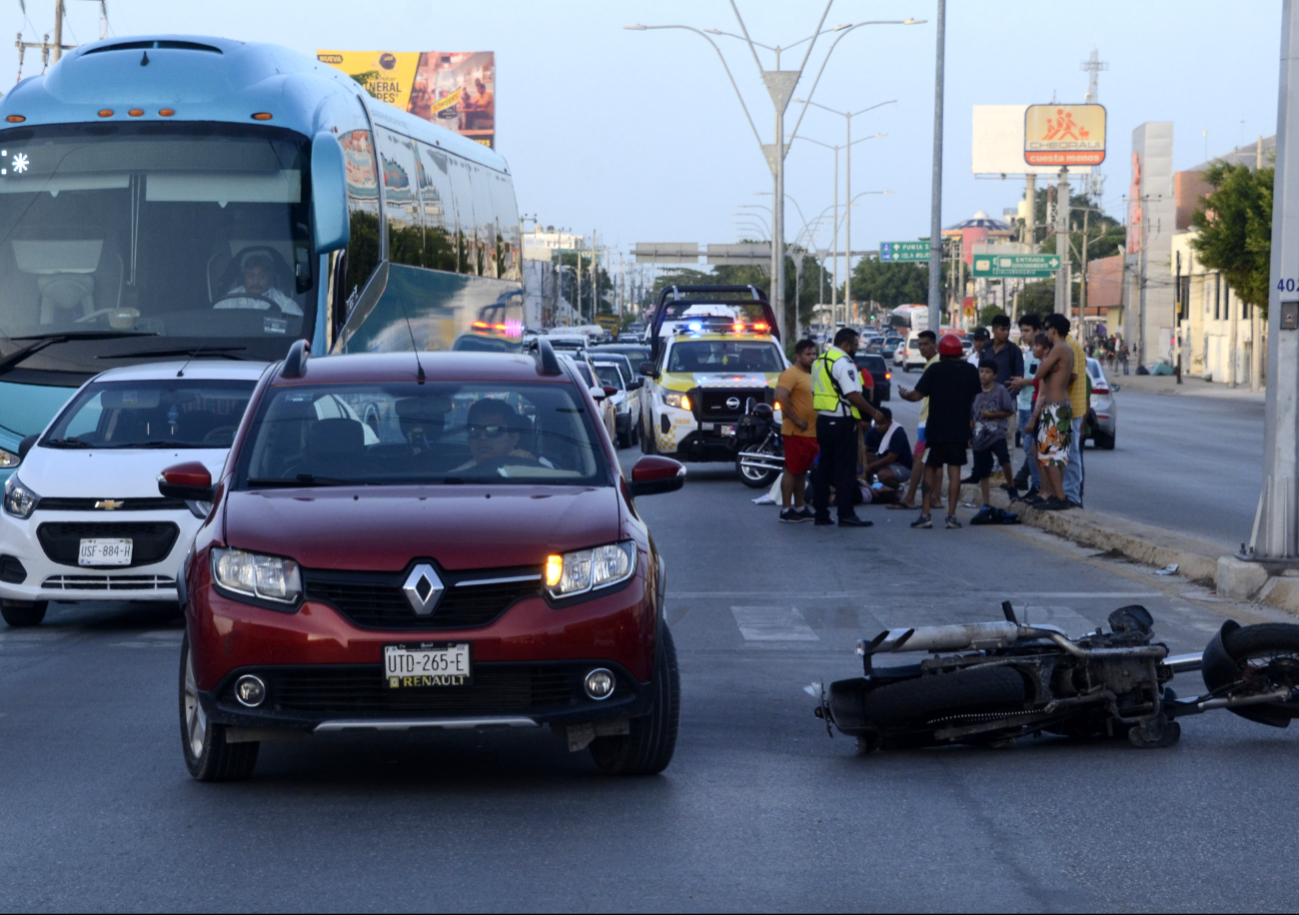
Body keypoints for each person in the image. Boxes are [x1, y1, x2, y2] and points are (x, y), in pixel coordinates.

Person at [898, 333, 981, 530]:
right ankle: (951, 517)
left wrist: (904, 395)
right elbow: (974, 398)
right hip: (959, 430)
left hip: (935, 430)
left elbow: (917, 395)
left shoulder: (935, 369)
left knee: (930, 468)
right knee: (954, 472)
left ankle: (926, 515)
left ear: (941, 351)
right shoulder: (970, 370)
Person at [811, 327, 884, 528]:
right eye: (855, 345)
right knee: (845, 469)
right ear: (846, 344)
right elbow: (852, 395)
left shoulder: (819, 361)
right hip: (842, 423)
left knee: (824, 468)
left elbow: (815, 392)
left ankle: (820, 513)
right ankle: (846, 513)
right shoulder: (844, 363)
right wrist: (874, 413)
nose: (857, 349)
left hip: (823, 421)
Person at [1026, 322, 1075, 510]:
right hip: (1062, 406)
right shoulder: (1067, 349)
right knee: (1057, 456)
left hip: (1054, 406)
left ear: (1054, 329)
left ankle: (1059, 497)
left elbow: (1039, 373)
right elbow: (1071, 376)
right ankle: (1055, 494)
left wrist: (1048, 366)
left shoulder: (1058, 348)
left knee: (1048, 454)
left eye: (1047, 329)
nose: (1046, 333)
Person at [891, 330, 939, 511]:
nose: (922, 348)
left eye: (926, 344)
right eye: (920, 344)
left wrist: (905, 395)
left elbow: (918, 394)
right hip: (930, 419)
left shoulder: (934, 364)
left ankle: (910, 498)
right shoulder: (932, 364)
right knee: (934, 460)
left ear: (935, 345)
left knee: (918, 457)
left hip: (928, 420)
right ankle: (934, 498)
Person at [774, 339, 818, 523]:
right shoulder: (790, 374)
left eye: (814, 354)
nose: (812, 357)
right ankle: (786, 510)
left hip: (810, 433)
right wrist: (796, 419)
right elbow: (780, 395)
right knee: (792, 470)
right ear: (798, 356)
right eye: (808, 354)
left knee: (801, 471)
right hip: (796, 432)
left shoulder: (809, 374)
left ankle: (799, 507)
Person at [969, 358, 1018, 523]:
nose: (983, 375)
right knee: (983, 471)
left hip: (996, 432)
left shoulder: (1000, 390)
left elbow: (1009, 411)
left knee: (1004, 458)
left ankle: (1011, 486)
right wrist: (970, 434)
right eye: (981, 371)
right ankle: (986, 503)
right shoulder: (974, 391)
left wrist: (992, 415)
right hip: (979, 436)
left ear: (994, 375)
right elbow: (970, 414)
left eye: (987, 372)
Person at [452, 398, 549, 473]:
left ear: (514, 438)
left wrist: (532, 464)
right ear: (468, 439)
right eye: (475, 431)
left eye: (493, 429)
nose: (483, 437)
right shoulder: (454, 479)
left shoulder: (539, 473)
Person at [1007, 313, 1043, 499]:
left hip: (1032, 406)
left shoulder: (1041, 354)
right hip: (1023, 404)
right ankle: (1033, 484)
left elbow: (1041, 380)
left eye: (1027, 330)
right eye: (1021, 330)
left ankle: (1038, 486)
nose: (1023, 334)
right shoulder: (1028, 352)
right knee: (1029, 449)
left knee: (1031, 447)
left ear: (1037, 331)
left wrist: (1023, 381)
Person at [1055, 314, 1088, 508]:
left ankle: (1073, 495)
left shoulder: (1069, 346)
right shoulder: (1065, 345)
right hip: (1066, 407)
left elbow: (1072, 375)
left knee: (1071, 453)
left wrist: (1054, 385)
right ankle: (1063, 492)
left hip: (1071, 407)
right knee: (1061, 452)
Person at [217, 253, 302, 316]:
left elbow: (300, 327)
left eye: (262, 276)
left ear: (271, 278)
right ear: (244, 278)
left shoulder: (285, 304)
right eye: (251, 276)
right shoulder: (229, 300)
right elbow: (215, 322)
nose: (256, 281)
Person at [863, 406, 912, 490]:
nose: (877, 426)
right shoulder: (873, 431)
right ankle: (868, 487)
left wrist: (869, 467)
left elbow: (891, 458)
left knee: (882, 475)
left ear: (889, 422)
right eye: (876, 423)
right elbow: (863, 449)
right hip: (884, 461)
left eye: (881, 424)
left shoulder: (898, 432)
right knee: (864, 458)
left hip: (902, 466)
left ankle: (898, 489)